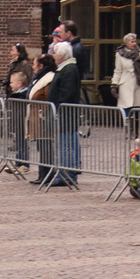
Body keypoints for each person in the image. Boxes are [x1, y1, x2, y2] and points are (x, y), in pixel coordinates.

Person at [47, 40, 83, 188]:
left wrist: (58, 107)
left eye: (55, 53)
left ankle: (68, 175)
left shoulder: (69, 70)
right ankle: (63, 173)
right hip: (62, 114)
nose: (53, 55)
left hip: (65, 114)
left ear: (62, 55)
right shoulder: (65, 69)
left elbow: (66, 93)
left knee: (66, 145)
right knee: (63, 145)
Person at [112, 33, 140, 109]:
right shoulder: (119, 54)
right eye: (132, 42)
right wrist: (114, 85)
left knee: (139, 108)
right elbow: (118, 71)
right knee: (127, 108)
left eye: (135, 41)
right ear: (126, 43)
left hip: (138, 84)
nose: (134, 44)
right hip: (125, 85)